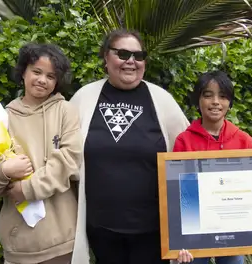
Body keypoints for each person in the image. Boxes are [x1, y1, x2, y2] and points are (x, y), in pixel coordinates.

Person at [69, 29, 190, 264]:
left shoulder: (162, 100)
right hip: (101, 230)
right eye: (123, 54)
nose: (131, 61)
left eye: (138, 55)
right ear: (106, 57)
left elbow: (188, 153)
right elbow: (62, 151)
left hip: (152, 231)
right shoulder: (84, 98)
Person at [0, 43, 82, 264]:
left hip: (62, 239)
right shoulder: (2, 118)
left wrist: (28, 188)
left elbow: (69, 159)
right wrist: (3, 170)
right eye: (37, 72)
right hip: (19, 243)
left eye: (51, 76)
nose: (43, 80)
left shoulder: (66, 111)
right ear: (23, 72)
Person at [172, 70, 252, 264]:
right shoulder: (184, 141)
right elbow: (179, 195)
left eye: (223, 96)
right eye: (208, 95)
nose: (216, 102)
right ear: (198, 100)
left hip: (234, 232)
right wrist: (178, 240)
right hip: (195, 234)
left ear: (230, 103)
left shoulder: (244, 141)